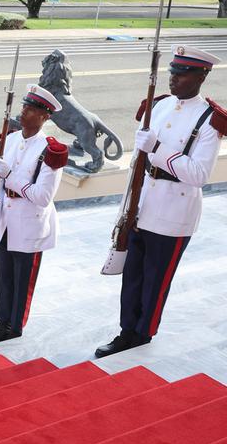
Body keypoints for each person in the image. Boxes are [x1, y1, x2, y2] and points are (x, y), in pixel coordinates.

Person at [96, 47, 226, 358]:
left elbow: (198, 175)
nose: (174, 79)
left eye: (182, 74)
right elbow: (137, 166)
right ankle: (126, 330)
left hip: (174, 209)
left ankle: (142, 334)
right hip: (142, 205)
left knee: (156, 278)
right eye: (172, 72)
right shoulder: (159, 105)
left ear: (202, 76)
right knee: (133, 275)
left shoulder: (210, 120)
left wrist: (159, 148)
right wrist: (126, 207)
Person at [0, 84, 67, 348]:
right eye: (25, 106)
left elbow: (42, 196)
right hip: (6, 222)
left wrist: (10, 176)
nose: (24, 111)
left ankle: (15, 327)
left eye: (31, 109)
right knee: (4, 277)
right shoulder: (11, 140)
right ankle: (1, 324)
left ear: (45, 116)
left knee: (22, 281)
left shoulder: (51, 150)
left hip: (30, 224)